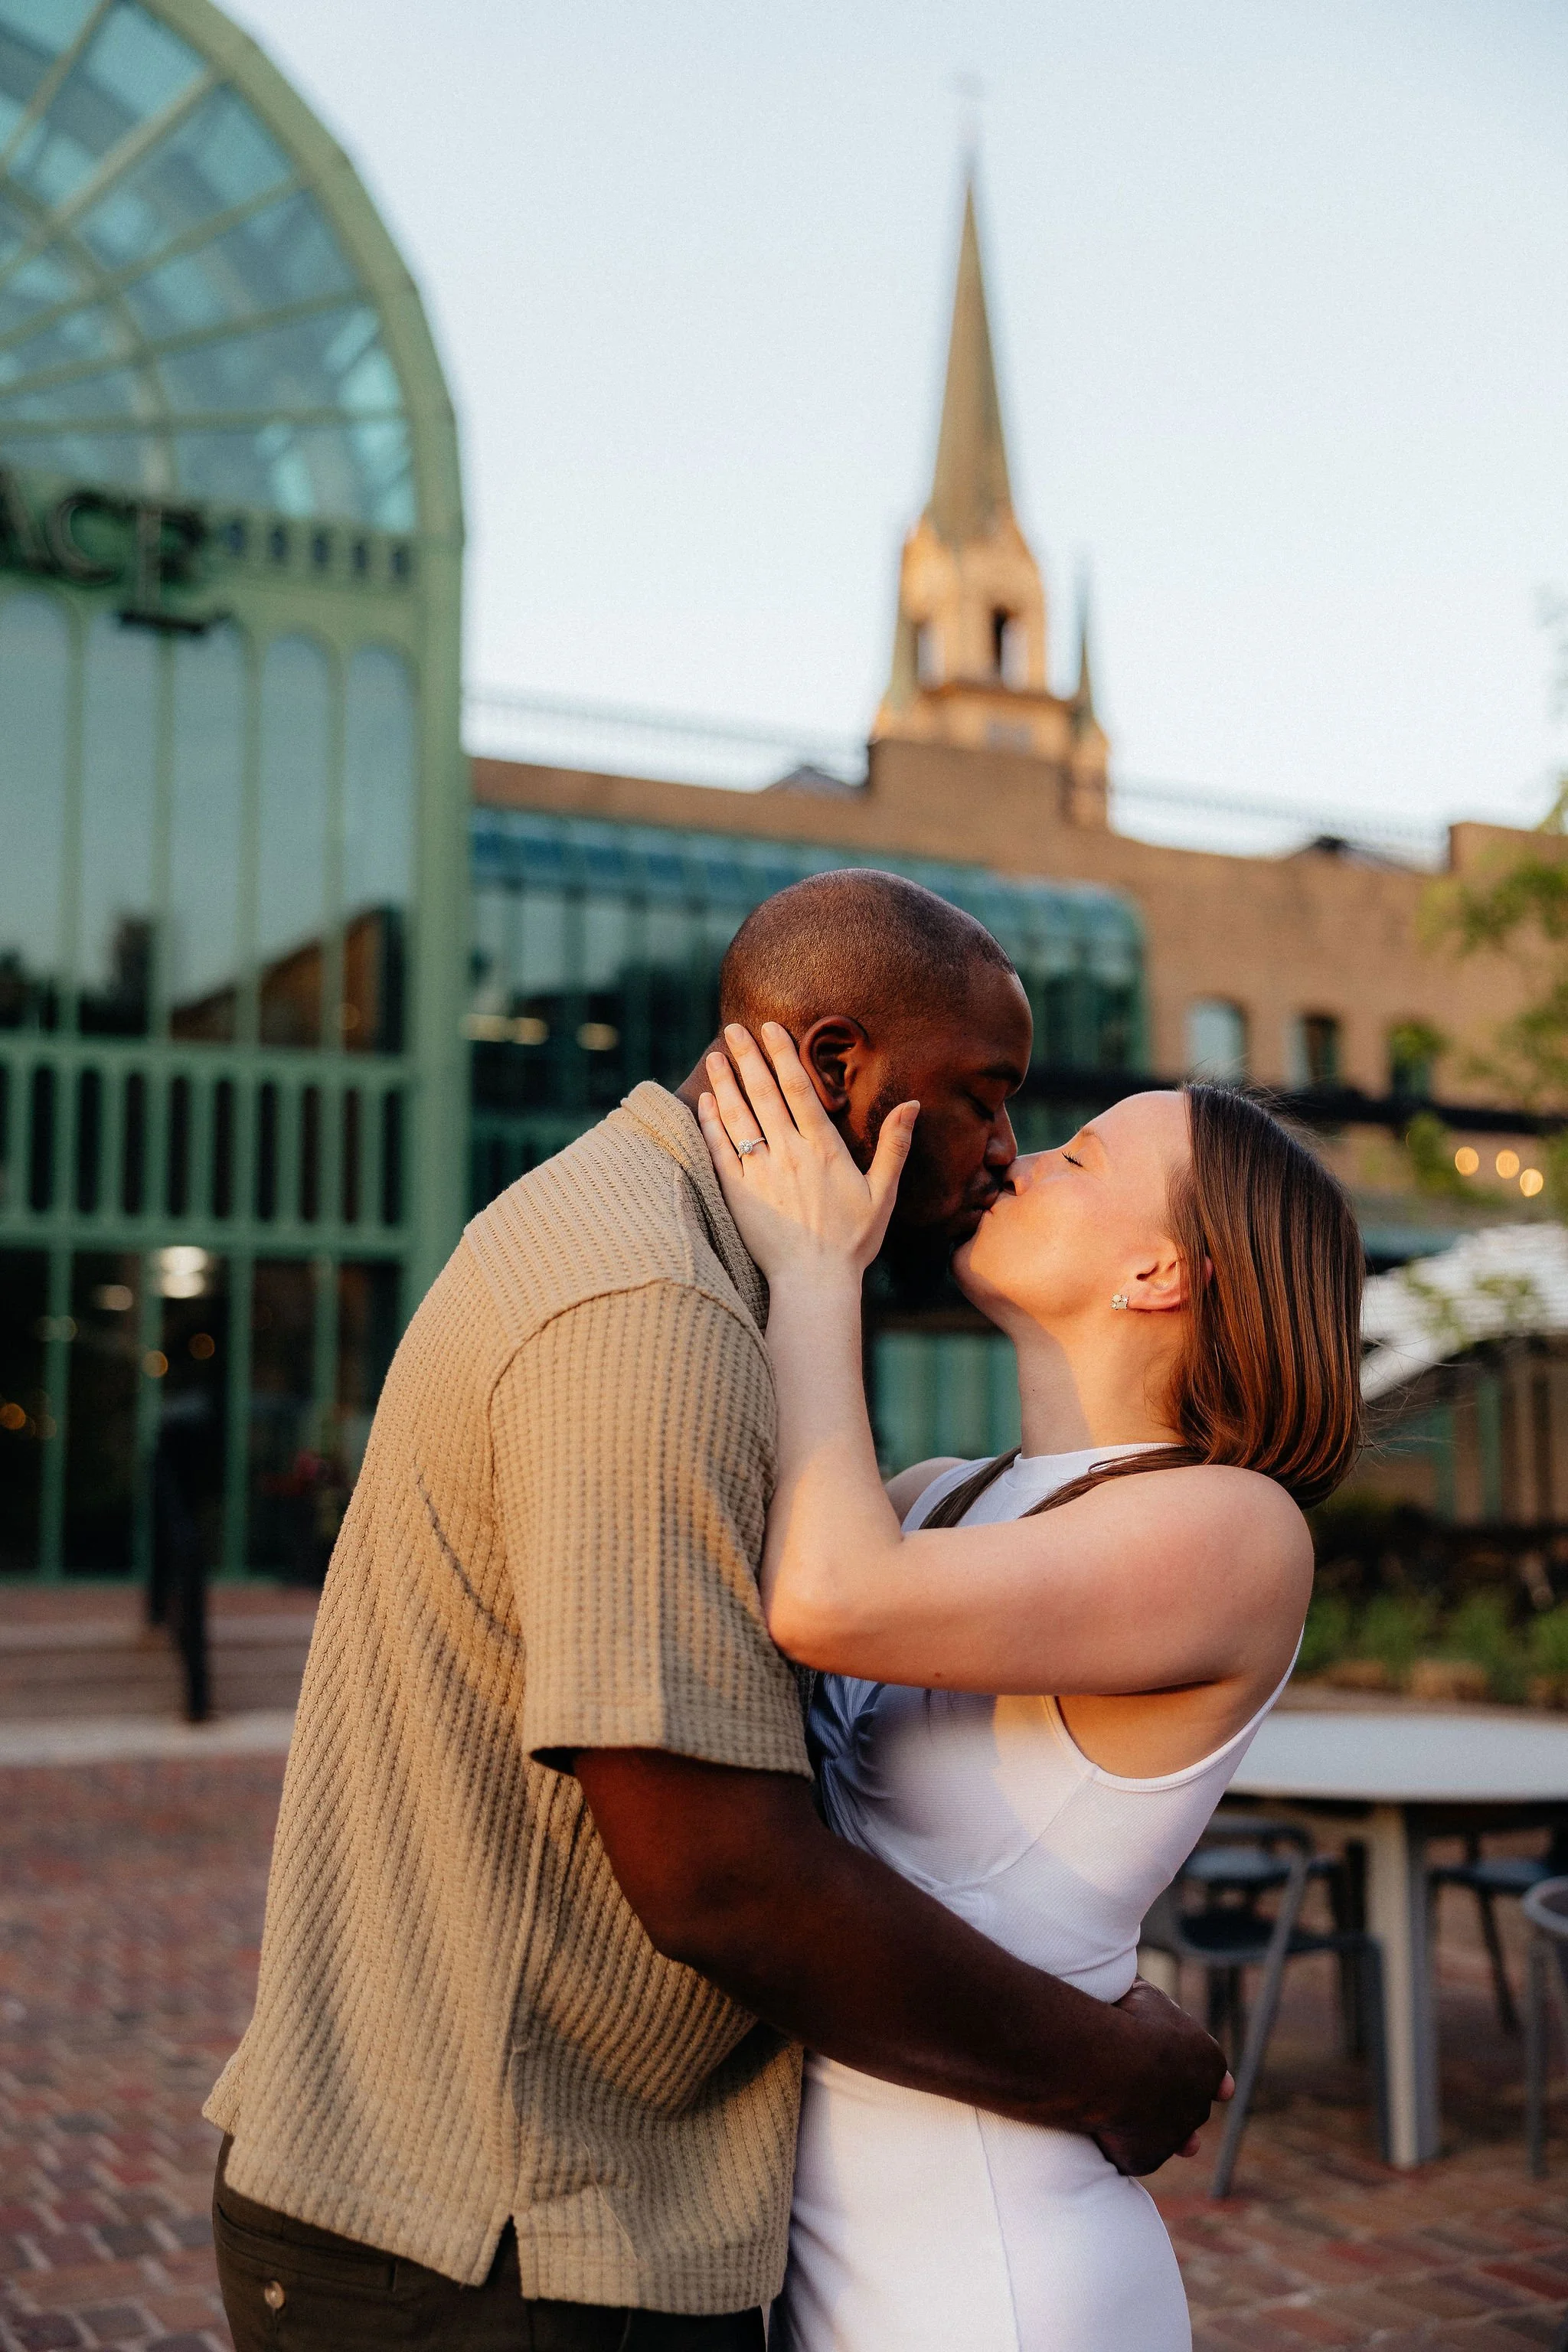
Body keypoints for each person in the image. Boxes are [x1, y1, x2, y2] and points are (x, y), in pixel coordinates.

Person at [205, 871, 1227, 2352]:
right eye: (986, 1096)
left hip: (539, 2207)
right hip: (498, 2239)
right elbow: (719, 1878)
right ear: (836, 1064)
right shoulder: (654, 1307)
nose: (1004, 1150)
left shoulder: (686, 1266)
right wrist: (1108, 2068)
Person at [697, 1023, 1361, 2352]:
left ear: (1162, 1271)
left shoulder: (1236, 1529)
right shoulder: (938, 1498)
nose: (1018, 1157)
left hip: (994, 2272)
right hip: (814, 2241)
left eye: (1080, 1155)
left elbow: (826, 1599)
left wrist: (818, 1265)